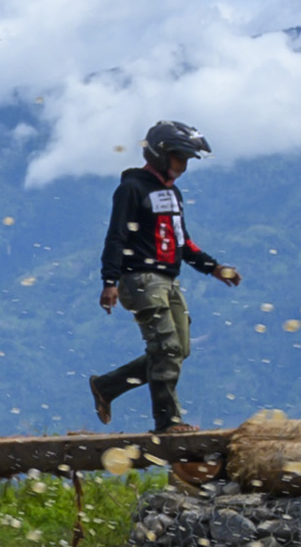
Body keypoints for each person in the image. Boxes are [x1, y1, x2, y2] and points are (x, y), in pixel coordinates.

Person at [93, 121, 243, 431]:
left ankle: (107, 387)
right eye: (180, 158)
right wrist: (110, 281)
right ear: (161, 154)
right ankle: (167, 422)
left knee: (177, 351)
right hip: (140, 280)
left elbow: (182, 242)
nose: (184, 166)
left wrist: (214, 267)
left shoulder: (172, 194)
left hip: (169, 281)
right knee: (167, 350)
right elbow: (116, 236)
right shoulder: (132, 189)